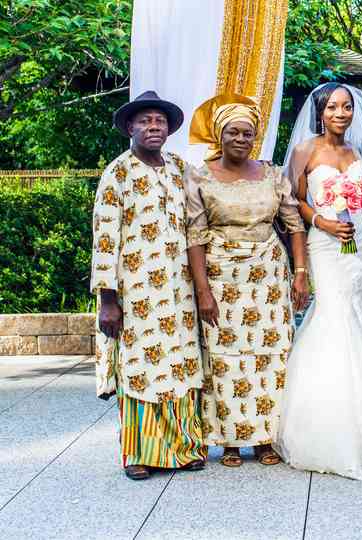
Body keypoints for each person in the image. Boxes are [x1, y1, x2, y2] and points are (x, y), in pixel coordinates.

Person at [275, 82, 362, 480]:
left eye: (347, 107)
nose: (341, 113)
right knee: (335, 318)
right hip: (325, 243)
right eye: (334, 107)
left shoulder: (359, 151)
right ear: (320, 112)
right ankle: (330, 426)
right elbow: (292, 202)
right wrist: (321, 220)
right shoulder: (306, 151)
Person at [185, 94, 310, 467]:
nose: (241, 139)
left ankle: (266, 439)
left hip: (268, 276)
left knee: (272, 355)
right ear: (219, 136)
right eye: (233, 132)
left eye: (248, 133)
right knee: (226, 358)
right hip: (222, 275)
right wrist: (203, 290)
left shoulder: (272, 174)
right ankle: (231, 441)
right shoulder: (200, 176)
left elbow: (294, 225)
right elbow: (194, 235)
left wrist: (300, 274)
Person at [91, 90, 206, 480]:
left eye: (159, 121)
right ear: (130, 127)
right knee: (142, 368)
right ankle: (138, 453)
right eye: (145, 121)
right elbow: (105, 239)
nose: (153, 127)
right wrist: (108, 301)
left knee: (181, 364)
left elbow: (196, 227)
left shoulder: (179, 168)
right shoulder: (117, 173)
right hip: (136, 292)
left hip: (179, 290)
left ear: (169, 129)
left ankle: (185, 447)